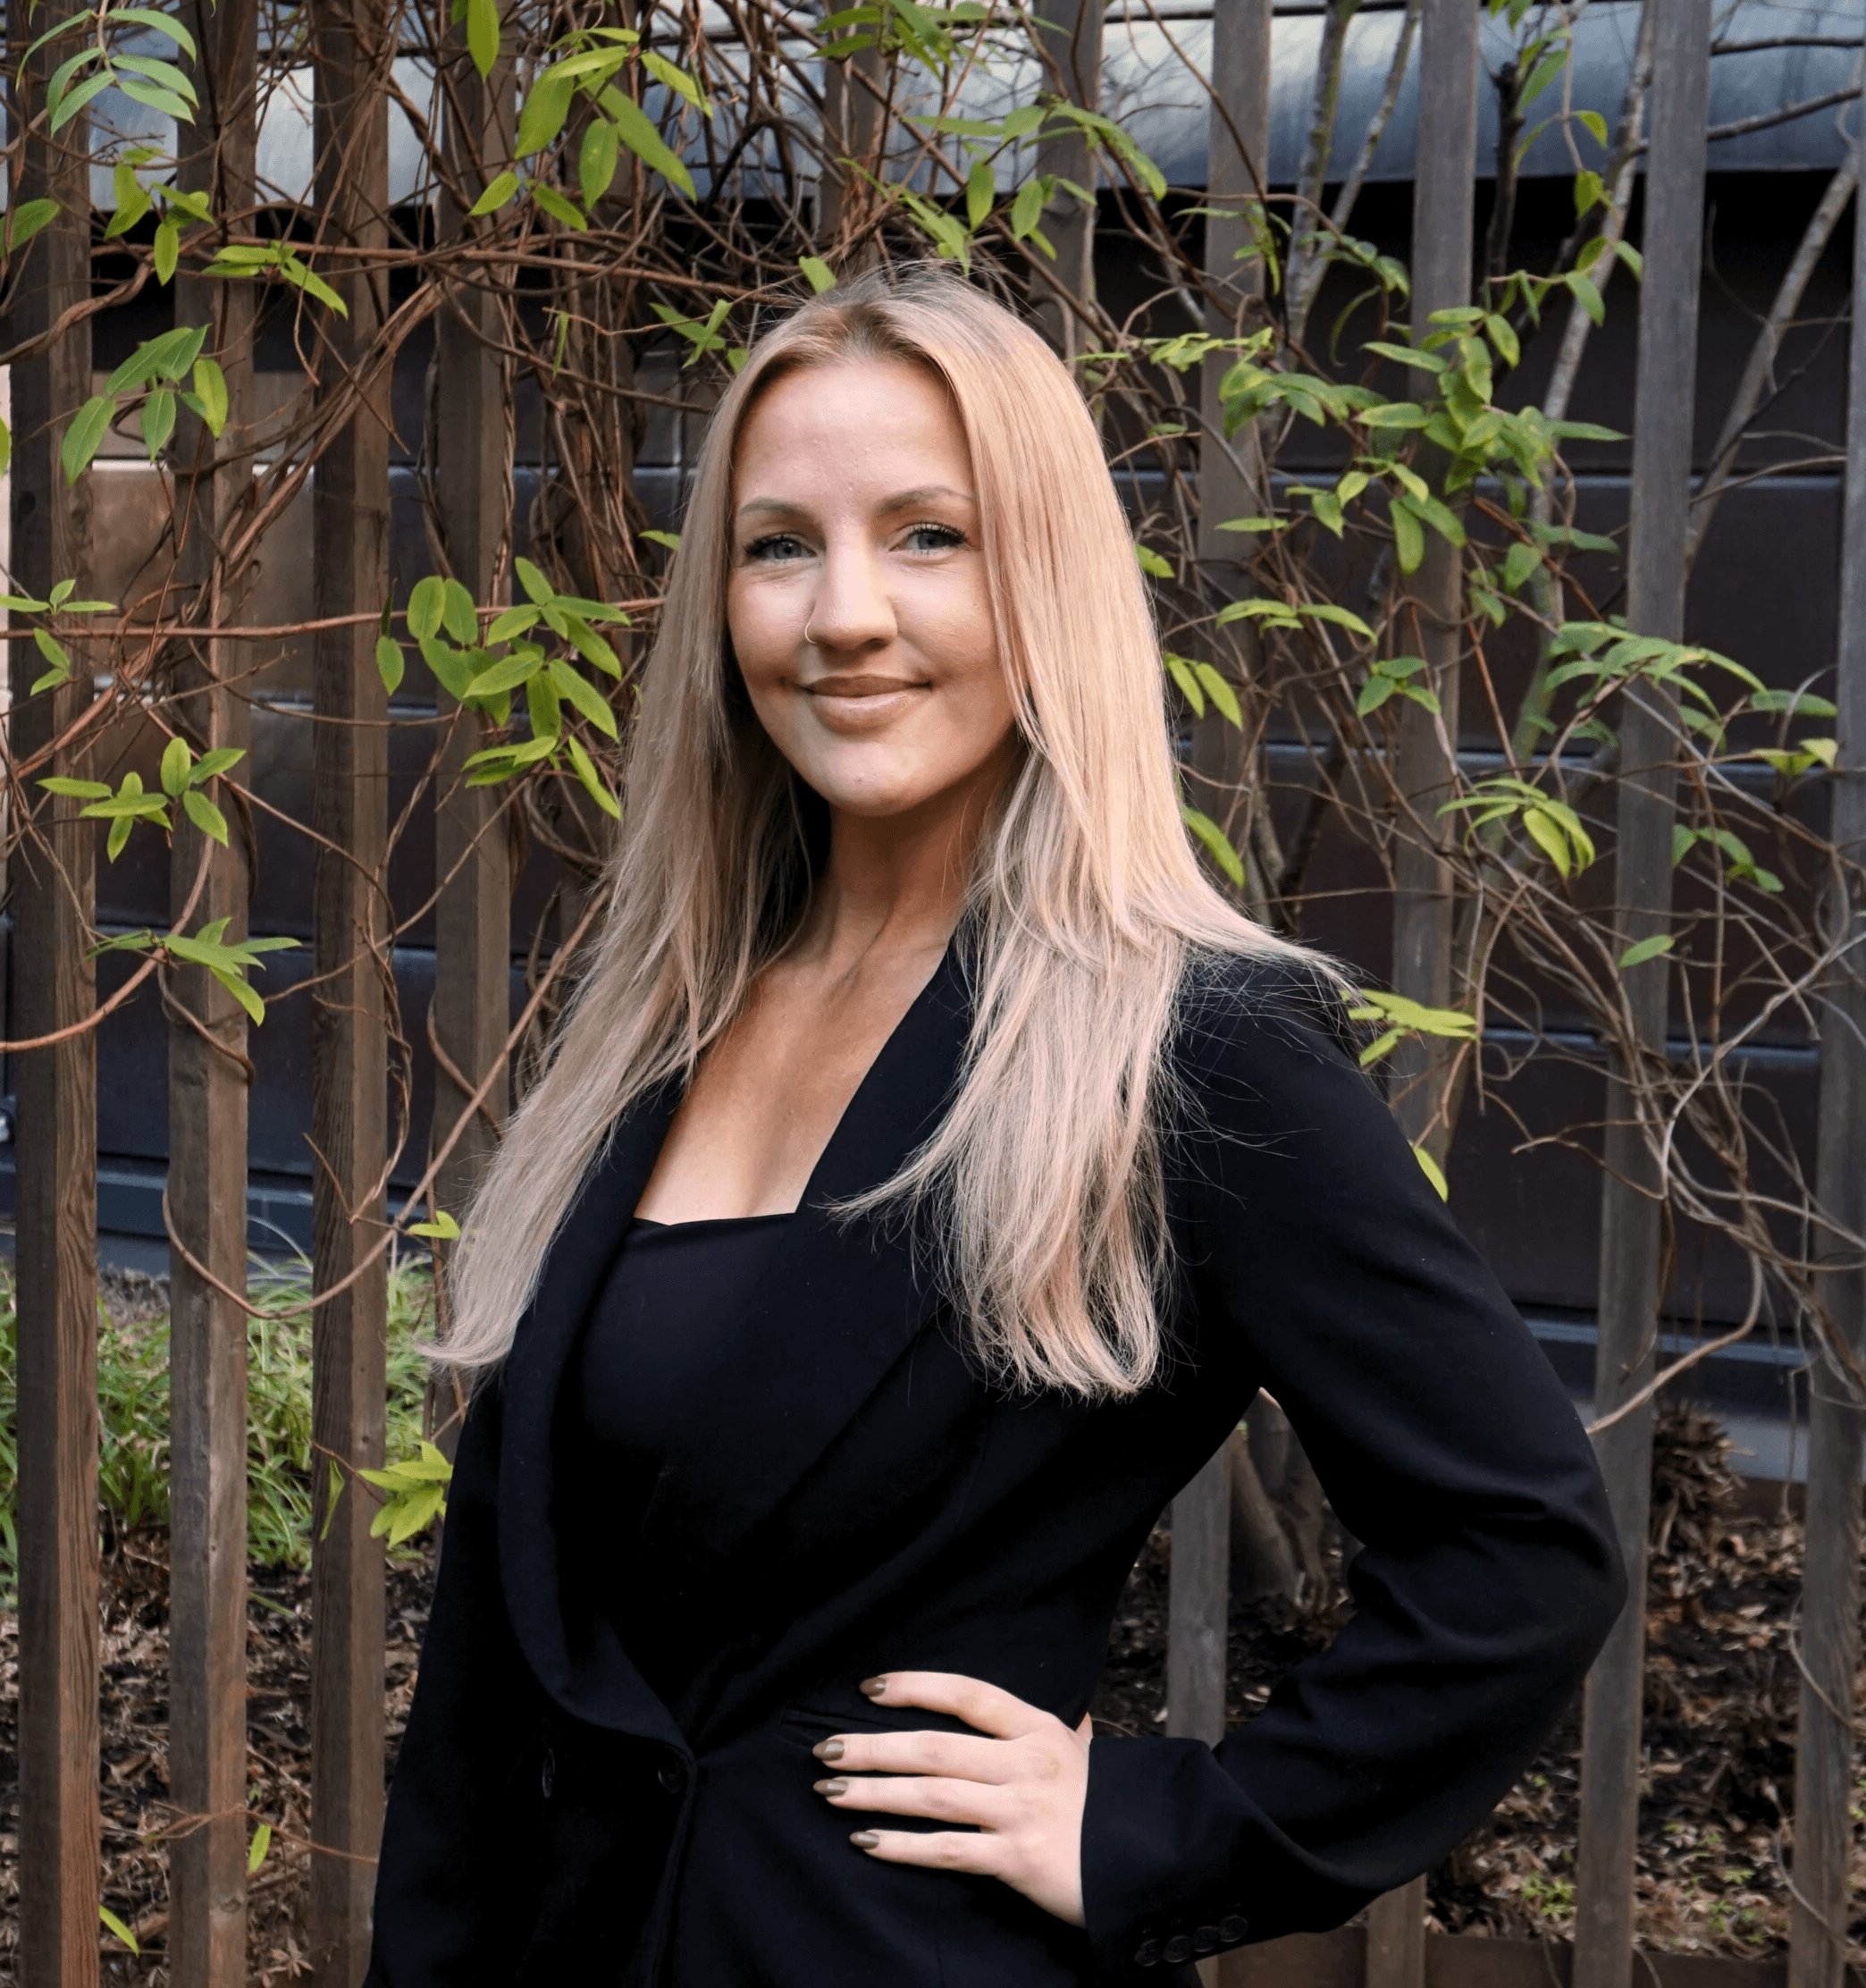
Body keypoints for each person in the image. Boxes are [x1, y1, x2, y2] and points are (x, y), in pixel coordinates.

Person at [364, 264, 1624, 1988]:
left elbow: (1522, 1555)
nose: (845, 614)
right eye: (779, 545)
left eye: (929, 537)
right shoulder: (664, 1021)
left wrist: (1160, 1829)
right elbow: (494, 1667)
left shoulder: (1187, 1046)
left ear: (1046, 578)